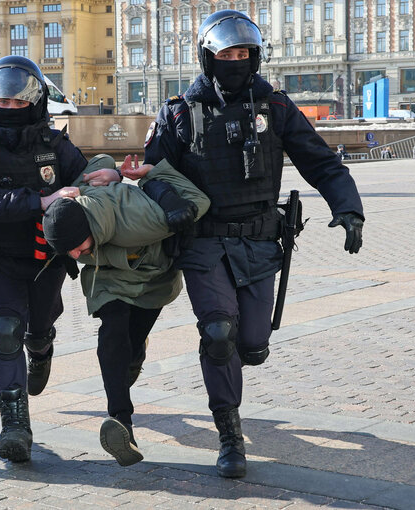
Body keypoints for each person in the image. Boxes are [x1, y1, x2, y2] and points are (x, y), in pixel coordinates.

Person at [143, 10, 364, 478]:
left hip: (261, 244)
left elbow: (321, 162)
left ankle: (238, 363)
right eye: (226, 53)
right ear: (208, 57)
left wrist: (348, 209)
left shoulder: (277, 108)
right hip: (204, 243)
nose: (235, 61)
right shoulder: (180, 111)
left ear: (256, 56)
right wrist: (171, 202)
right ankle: (229, 435)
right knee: (218, 333)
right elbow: (150, 173)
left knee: (252, 343)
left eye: (243, 53)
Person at [0, 55, 118, 463]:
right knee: (7, 327)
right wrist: (41, 199)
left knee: (39, 324)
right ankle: (14, 424)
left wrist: (107, 176)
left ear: (36, 101)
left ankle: (42, 347)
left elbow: (83, 181)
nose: (10, 109)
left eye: (19, 102)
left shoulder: (54, 143)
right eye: (3, 103)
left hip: (46, 259)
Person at [42, 154, 209, 466]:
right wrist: (113, 171)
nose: (76, 255)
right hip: (108, 277)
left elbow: (198, 201)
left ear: (89, 227)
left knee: (131, 348)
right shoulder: (76, 202)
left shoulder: (142, 218)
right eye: (71, 253)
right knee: (112, 336)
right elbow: (98, 161)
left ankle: (134, 356)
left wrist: (151, 173)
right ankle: (121, 422)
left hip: (150, 279)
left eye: (78, 247)